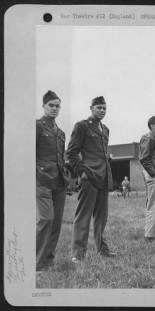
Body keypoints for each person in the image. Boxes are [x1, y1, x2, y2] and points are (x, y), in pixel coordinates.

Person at [67, 96, 115, 263]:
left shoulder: (106, 129)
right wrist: (82, 172)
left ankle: (103, 250)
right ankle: (78, 254)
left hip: (104, 177)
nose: (102, 110)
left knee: (102, 217)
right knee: (83, 216)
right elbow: (71, 153)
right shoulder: (82, 126)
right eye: (99, 107)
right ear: (91, 108)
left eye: (104, 108)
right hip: (90, 177)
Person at [36, 90, 68, 271]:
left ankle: (48, 261)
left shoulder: (61, 133)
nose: (55, 108)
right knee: (46, 219)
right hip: (42, 180)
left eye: (57, 106)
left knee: (56, 222)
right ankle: (37, 262)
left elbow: (60, 158)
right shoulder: (37, 126)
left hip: (59, 181)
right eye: (51, 105)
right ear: (43, 106)